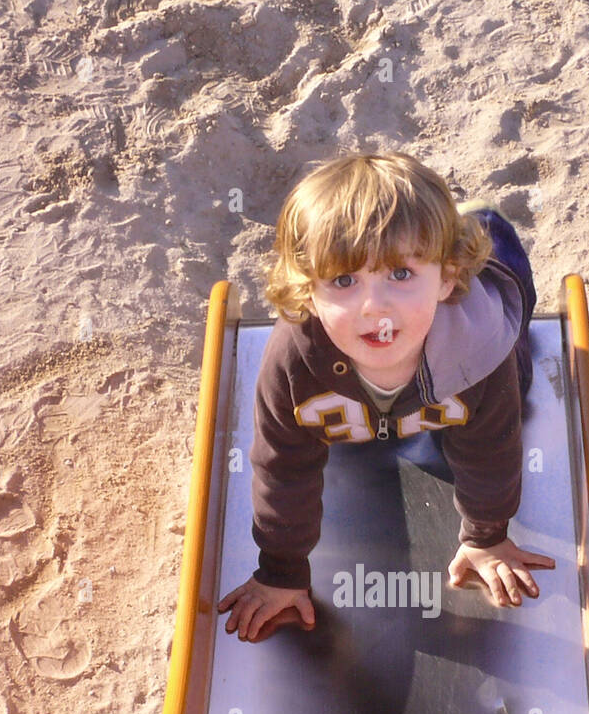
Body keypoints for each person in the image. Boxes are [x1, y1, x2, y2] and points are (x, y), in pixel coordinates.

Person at [218, 150, 555, 642]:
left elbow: (491, 453)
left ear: (446, 280)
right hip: (379, 395)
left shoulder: (481, 353)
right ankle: (434, 242)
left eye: (400, 274)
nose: (374, 307)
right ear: (308, 291)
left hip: (465, 340)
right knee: (362, 423)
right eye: (344, 280)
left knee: (515, 353)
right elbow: (281, 467)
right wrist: (281, 571)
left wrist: (487, 538)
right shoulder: (292, 363)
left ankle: (480, 225)